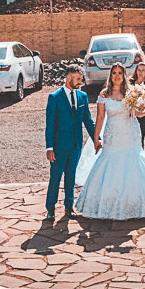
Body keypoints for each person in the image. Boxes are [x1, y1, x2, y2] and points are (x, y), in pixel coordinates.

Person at [73, 63, 145, 220]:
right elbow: (99, 118)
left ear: (124, 75)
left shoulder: (130, 92)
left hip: (130, 134)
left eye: (120, 73)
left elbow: (141, 113)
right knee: (109, 163)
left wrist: (141, 108)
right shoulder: (104, 94)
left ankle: (139, 203)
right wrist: (96, 138)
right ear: (110, 76)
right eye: (114, 73)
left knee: (134, 162)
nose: (117, 76)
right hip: (112, 135)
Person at [44, 65, 97, 221]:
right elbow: (50, 125)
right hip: (58, 147)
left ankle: (69, 207)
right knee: (55, 177)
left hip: (75, 145)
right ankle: (51, 209)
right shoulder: (54, 97)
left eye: (81, 79)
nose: (81, 82)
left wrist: (96, 138)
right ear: (69, 77)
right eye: (78, 79)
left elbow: (87, 120)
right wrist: (49, 147)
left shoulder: (83, 97)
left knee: (71, 177)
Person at [130, 62, 145, 143]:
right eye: (139, 70)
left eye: (143, 70)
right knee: (133, 137)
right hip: (133, 113)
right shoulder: (130, 82)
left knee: (140, 137)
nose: (140, 72)